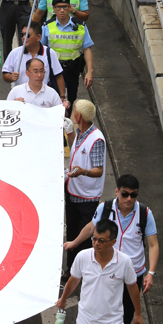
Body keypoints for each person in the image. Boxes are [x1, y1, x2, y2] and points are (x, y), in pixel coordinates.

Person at [65, 173, 159, 324]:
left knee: (128, 310)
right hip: (109, 270)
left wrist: (151, 273)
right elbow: (91, 227)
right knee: (106, 305)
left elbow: (153, 244)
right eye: (125, 194)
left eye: (133, 195)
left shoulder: (144, 213)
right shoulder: (105, 208)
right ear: (117, 191)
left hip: (133, 272)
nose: (129, 199)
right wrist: (75, 243)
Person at [65, 99, 106, 271]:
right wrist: (69, 133)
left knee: (83, 239)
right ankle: (70, 270)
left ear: (79, 115)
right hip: (73, 192)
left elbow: (99, 170)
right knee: (72, 233)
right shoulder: (80, 132)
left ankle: (82, 273)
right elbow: (77, 148)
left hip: (87, 197)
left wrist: (83, 171)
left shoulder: (96, 140)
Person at [42, 0, 94, 112]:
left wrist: (90, 72)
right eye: (58, 7)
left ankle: (66, 125)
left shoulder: (80, 26)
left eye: (65, 7)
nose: (62, 10)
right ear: (53, 9)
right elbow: (41, 50)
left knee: (70, 100)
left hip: (72, 70)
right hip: (53, 71)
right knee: (54, 102)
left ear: (70, 7)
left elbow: (87, 49)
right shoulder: (47, 26)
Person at [1, 20, 68, 102]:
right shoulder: (15, 53)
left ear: (38, 37)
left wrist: (62, 97)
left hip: (43, 99)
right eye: (22, 34)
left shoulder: (49, 53)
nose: (23, 37)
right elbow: (5, 74)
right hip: (21, 100)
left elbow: (59, 76)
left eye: (27, 35)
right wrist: (11, 77)